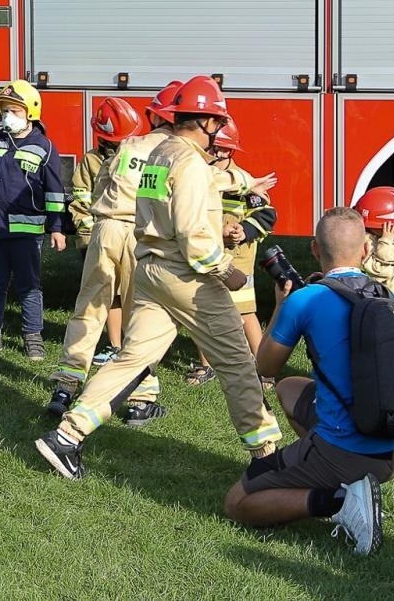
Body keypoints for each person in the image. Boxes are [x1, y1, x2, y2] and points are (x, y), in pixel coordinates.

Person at [36, 75, 282, 480]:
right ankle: (267, 457)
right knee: (237, 363)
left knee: (133, 358)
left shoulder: (159, 153)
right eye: (218, 124)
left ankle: (66, 437)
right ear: (203, 122)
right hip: (189, 279)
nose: (219, 133)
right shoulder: (190, 164)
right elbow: (194, 235)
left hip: (150, 269)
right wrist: (226, 271)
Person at [223, 206, 394, 556]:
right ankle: (344, 480)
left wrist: (283, 304)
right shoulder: (389, 296)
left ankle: (341, 501)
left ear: (314, 249)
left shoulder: (305, 300)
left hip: (348, 448)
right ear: (366, 250)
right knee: (290, 388)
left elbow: (264, 366)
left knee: (238, 503)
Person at [49, 96, 152, 414]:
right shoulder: (145, 156)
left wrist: (88, 236)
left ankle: (66, 386)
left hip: (103, 234)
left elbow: (80, 201)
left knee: (89, 310)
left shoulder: (96, 160)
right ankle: (141, 397)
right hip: (136, 235)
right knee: (142, 314)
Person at [0, 79, 67, 360]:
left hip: (27, 233)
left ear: (31, 112)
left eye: (14, 110)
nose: (8, 115)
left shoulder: (43, 147)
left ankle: (33, 338)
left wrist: (56, 228)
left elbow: (55, 192)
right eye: (5, 110)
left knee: (29, 286)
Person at [187, 119, 279, 386]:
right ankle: (206, 366)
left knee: (245, 314)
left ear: (233, 152)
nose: (218, 154)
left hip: (238, 259)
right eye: (215, 148)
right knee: (202, 311)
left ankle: (263, 367)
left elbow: (266, 215)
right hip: (207, 256)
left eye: (225, 150)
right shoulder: (201, 180)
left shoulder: (245, 183)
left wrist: (244, 231)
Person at [354, 186, 394, 300]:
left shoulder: (377, 240)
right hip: (382, 302)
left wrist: (390, 242)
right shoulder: (366, 244)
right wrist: (386, 241)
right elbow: (383, 272)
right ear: (380, 226)